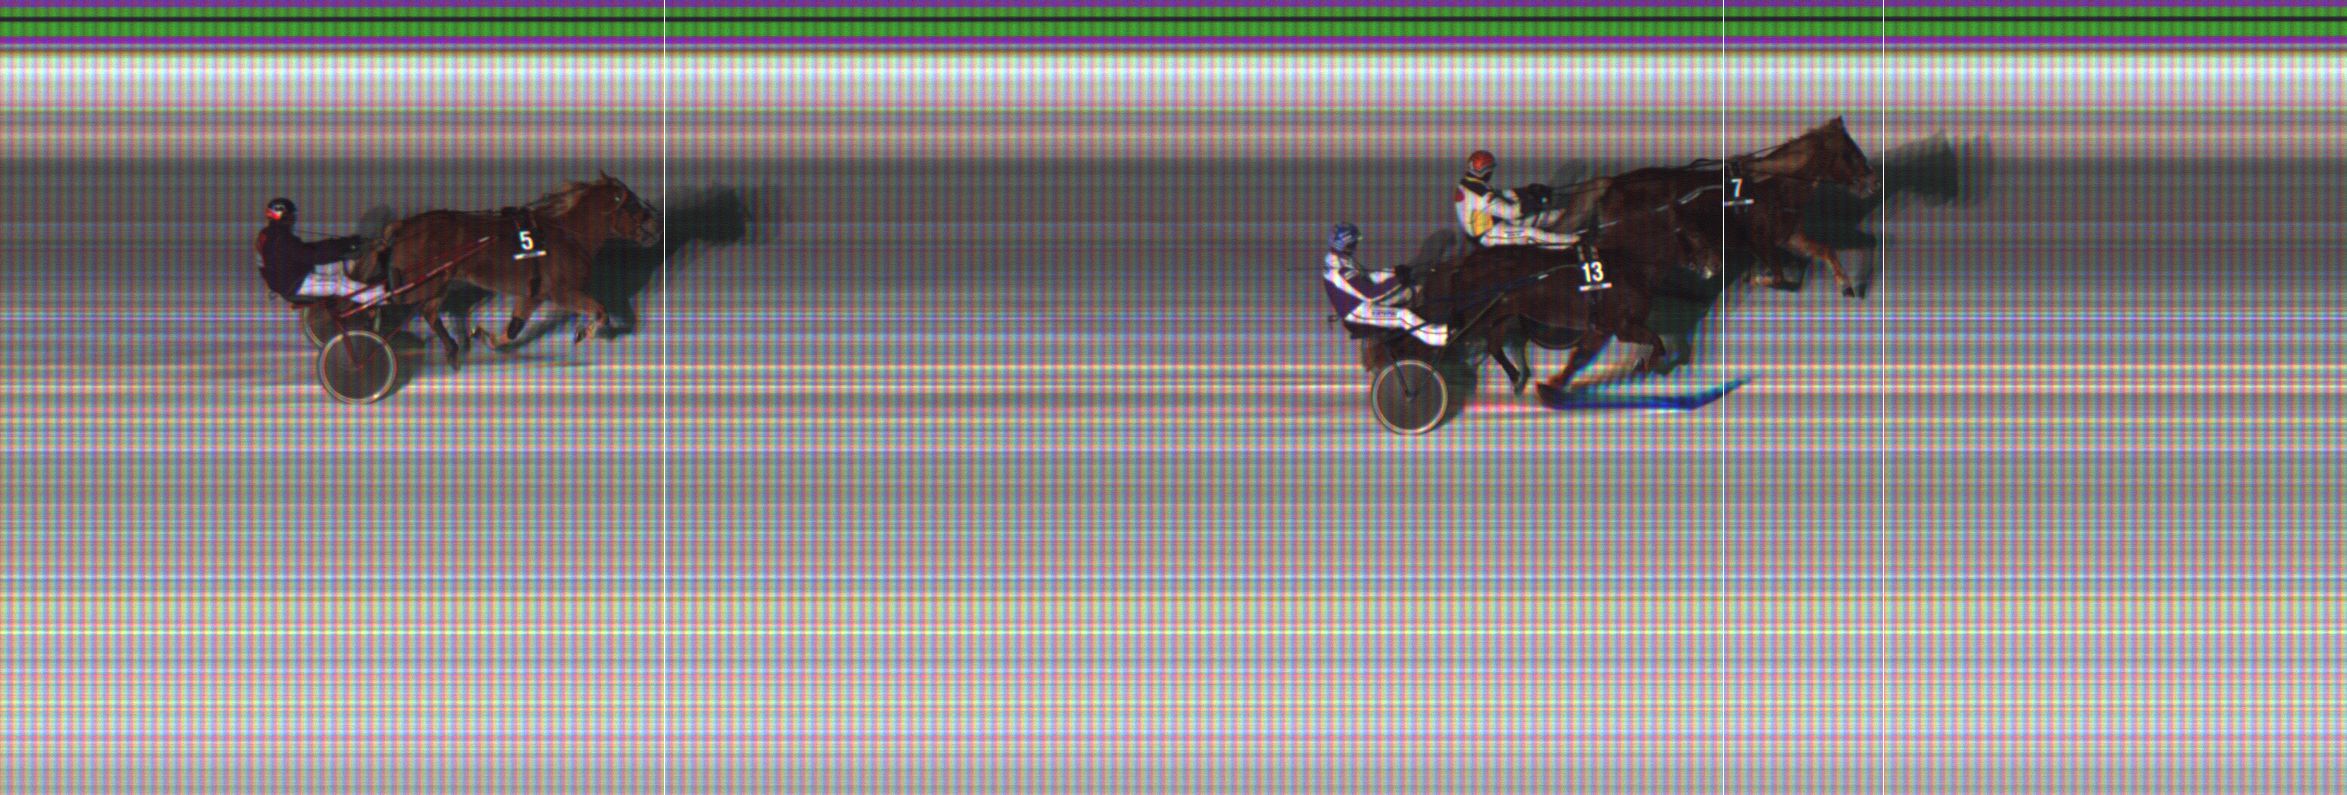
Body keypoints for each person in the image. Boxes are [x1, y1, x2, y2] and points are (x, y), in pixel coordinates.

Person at [1320, 223, 1447, 347]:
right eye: (1353, 243)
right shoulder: (1339, 270)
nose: (1355, 246)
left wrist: (1394, 271)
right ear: (1344, 244)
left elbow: (1367, 277)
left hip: (1362, 302)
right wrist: (1398, 280)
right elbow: (1370, 295)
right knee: (1403, 316)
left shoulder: (1341, 259)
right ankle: (1440, 337)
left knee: (1412, 291)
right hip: (1357, 310)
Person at [253, 197, 384, 304]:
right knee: (338, 284)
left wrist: (344, 244)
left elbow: (306, 250)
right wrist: (343, 251)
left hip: (289, 276)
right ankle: (382, 297)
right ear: (284, 216)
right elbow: (312, 256)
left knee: (340, 266)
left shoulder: (267, 235)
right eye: (292, 215)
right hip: (294, 283)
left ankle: (361, 291)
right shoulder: (280, 238)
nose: (294, 219)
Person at [1451, 150, 1591, 249]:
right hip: (1487, 234)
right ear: (1487, 170)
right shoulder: (1479, 194)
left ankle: (1576, 224)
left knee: (1547, 216)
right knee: (1530, 234)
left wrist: (1528, 190)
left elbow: (1501, 195)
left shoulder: (1471, 183)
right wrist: (1534, 201)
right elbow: (1511, 213)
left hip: (1495, 222)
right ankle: (1576, 242)